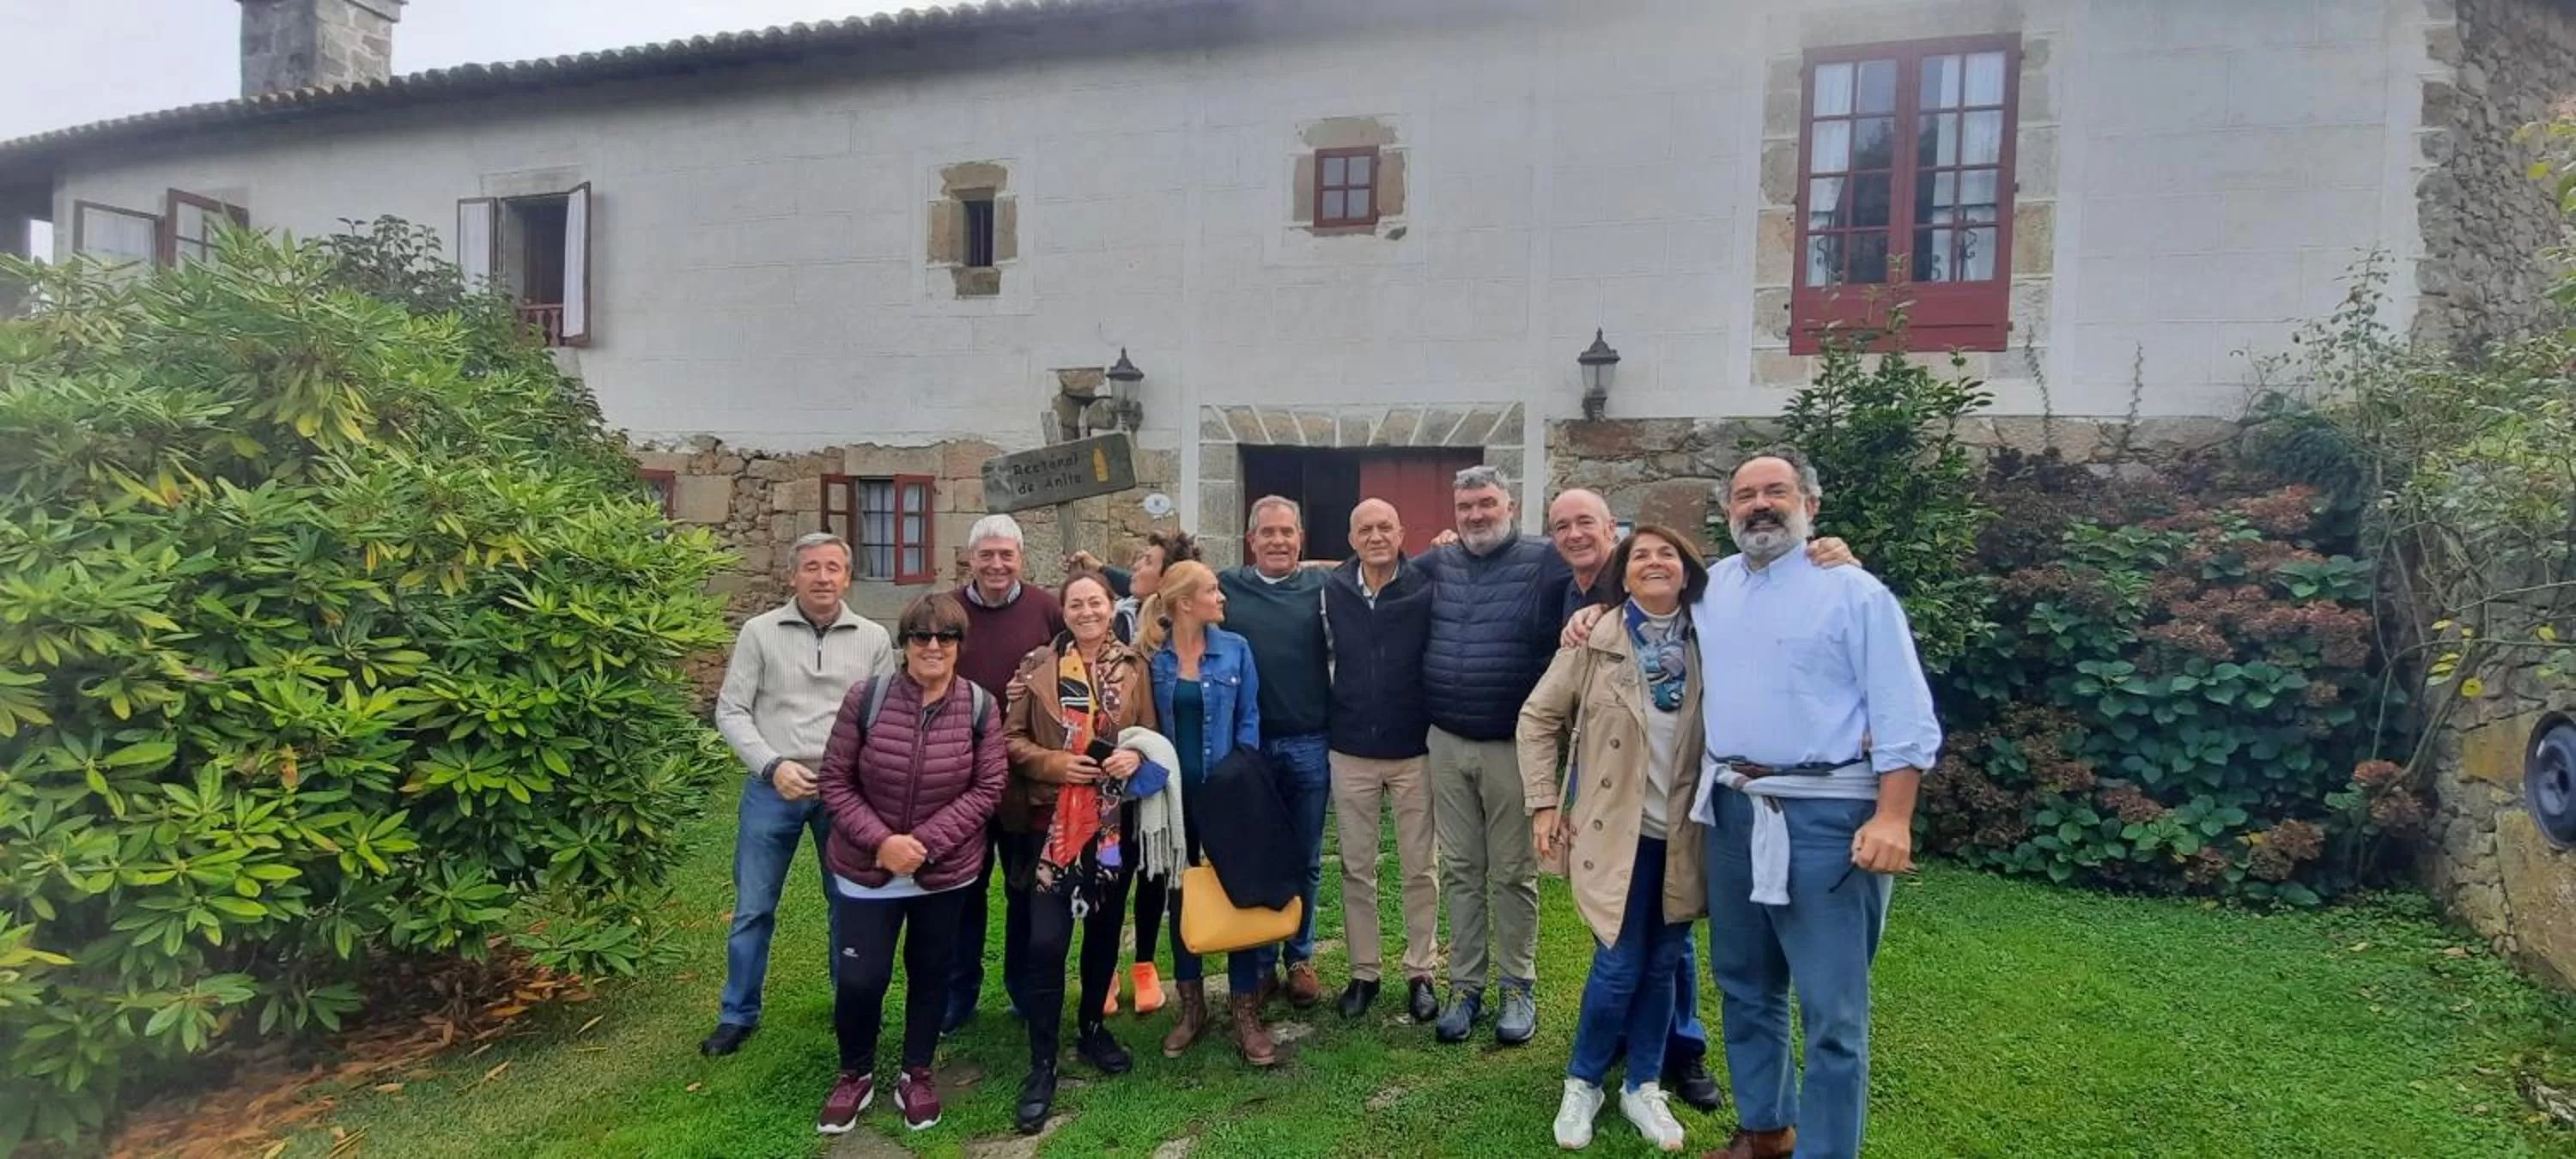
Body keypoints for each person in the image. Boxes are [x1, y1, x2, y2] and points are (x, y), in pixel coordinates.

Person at [1692, 452, 1941, 1159]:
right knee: (1745, 982)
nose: (1760, 505)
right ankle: (1766, 1129)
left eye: (1777, 491)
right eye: (1745, 495)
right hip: (1736, 809)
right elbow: (1641, 607)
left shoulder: (1855, 593)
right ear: (1728, 511)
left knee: (1833, 1013)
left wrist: (1892, 817)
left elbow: (1904, 712)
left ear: (1810, 504)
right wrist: (1584, 624)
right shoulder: (1711, 587)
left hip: (1829, 817)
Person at [1520, 525, 1714, 1152]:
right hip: (1615, 834)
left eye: (1668, 555)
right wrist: (1544, 800)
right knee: (1619, 961)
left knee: (1663, 965)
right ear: (1622, 574)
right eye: (1641, 557)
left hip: (1686, 834)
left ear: (1687, 570)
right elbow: (1538, 716)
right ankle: (1583, 1082)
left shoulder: (1714, 637)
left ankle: (1644, 1085)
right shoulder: (1596, 638)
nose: (1655, 563)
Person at [812, 593, 1007, 1135]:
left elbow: (988, 786)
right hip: (867, 869)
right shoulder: (867, 699)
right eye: (921, 636)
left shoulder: (980, 707)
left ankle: (916, 1071)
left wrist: (922, 842)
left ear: (959, 646)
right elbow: (835, 781)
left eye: (946, 637)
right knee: (860, 978)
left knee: (931, 975)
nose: (933, 646)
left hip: (942, 870)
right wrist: (882, 843)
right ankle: (854, 1072)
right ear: (904, 644)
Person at [703, 532, 892, 1058]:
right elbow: (732, 710)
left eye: (834, 567)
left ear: (848, 577)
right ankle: (737, 1013)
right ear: (794, 576)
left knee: (847, 903)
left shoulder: (873, 638)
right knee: (754, 906)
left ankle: (848, 1006)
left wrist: (854, 775)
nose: (824, 577)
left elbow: (883, 716)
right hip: (774, 786)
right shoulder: (760, 633)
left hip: (842, 790)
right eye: (812, 567)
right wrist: (772, 764)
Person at [1000, 570, 1163, 1132]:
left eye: (1096, 601)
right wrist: (1054, 764)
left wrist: (1133, 758)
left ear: (1111, 605)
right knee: (1046, 943)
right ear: (1064, 611)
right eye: (1076, 603)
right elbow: (1011, 740)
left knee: (1102, 933)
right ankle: (1042, 1062)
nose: (1087, 611)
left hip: (1114, 828)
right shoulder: (1036, 667)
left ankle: (1092, 1029)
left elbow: (1150, 736)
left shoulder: (1136, 668)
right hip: (1053, 830)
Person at [1416, 464, 1571, 1047]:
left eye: (1486, 504)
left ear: (1511, 504)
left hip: (1514, 745)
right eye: (1466, 508)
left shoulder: (1545, 559)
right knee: (1458, 868)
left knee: (1512, 872)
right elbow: (1370, 578)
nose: (1476, 515)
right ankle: (1466, 986)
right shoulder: (1440, 561)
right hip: (1447, 741)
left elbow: (1608, 574)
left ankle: (1517, 985)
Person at [1139, 561, 1281, 1065]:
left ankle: (1245, 1011)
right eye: (1212, 590)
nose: (1221, 598)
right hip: (1175, 803)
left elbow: (1250, 720)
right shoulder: (1151, 660)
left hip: (1229, 798)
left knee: (1237, 893)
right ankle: (1191, 1006)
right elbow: (1144, 726)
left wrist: (1236, 780)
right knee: (1182, 898)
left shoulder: (1236, 650)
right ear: (1184, 603)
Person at [943, 514, 1066, 1035]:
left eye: (1006, 555)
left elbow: (1070, 669)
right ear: (970, 558)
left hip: (1022, 775)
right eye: (987, 555)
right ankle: (958, 992)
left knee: (1023, 889)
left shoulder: (1046, 608)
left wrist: (1036, 691)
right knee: (962, 889)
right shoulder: (947, 610)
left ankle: (1022, 988)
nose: (997, 564)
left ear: (1021, 558)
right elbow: (922, 673)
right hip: (959, 772)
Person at [1321, 499, 1441, 1023]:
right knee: (1356, 868)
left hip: (1414, 749)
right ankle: (1364, 972)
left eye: (1385, 527)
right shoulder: (1331, 590)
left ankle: (1421, 971)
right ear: (1350, 538)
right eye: (1365, 528)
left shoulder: (1427, 583)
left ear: (1401, 532)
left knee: (1420, 867)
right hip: (1350, 749)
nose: (1375, 536)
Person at [1213, 497, 1334, 1010]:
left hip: (1310, 739)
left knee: (1305, 857)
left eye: (1288, 532)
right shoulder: (1228, 587)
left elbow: (1376, 569)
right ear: (1251, 540)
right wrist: (1096, 569)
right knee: (1259, 858)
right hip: (1251, 746)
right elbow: (1161, 584)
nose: (1278, 541)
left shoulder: (1322, 587)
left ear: (1301, 539)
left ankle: (1299, 956)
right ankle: (1260, 965)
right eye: (1268, 533)